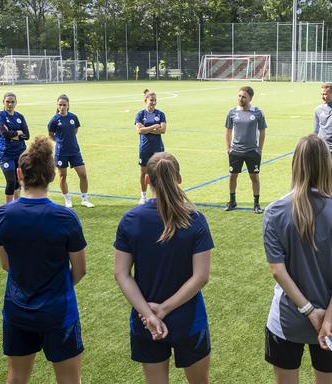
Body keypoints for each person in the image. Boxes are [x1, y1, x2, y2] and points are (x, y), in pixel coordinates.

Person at [0, 136, 87, 383]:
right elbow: (80, 270)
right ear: (53, 175)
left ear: (20, 174)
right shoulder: (66, 218)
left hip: (17, 307)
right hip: (58, 310)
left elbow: (5, 264)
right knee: (68, 379)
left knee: (17, 377)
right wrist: (56, 285)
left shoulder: (3, 214)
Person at [263, 135, 332, 384]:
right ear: (327, 165)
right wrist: (326, 318)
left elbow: (277, 270)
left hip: (286, 319)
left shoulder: (274, 211)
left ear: (296, 164)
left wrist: (308, 311)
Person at [114, 152, 213, 383]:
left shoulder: (131, 220)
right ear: (179, 179)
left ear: (147, 181)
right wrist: (164, 310)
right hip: (188, 319)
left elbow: (121, 274)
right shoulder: (195, 220)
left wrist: (149, 315)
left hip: (144, 320)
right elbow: (201, 277)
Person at [224, 86, 267, 213]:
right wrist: (228, 148)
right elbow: (228, 130)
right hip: (236, 150)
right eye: (239, 96)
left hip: (252, 151)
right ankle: (232, 201)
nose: (240, 99)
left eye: (244, 97)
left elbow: (262, 130)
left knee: (254, 177)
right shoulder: (232, 112)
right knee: (232, 176)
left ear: (250, 98)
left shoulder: (257, 112)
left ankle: (256, 204)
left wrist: (260, 148)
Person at [48, 94, 93, 208]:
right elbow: (51, 135)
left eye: (64, 105)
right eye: (60, 105)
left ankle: (84, 199)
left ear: (68, 105)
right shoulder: (54, 120)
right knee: (63, 176)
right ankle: (67, 199)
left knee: (83, 174)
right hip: (61, 153)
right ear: (57, 106)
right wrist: (60, 142)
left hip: (74, 151)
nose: (62, 107)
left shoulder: (73, 117)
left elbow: (75, 131)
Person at [135, 89, 168, 205]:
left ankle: (158, 196)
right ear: (145, 100)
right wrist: (154, 126)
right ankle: (143, 196)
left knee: (159, 173)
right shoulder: (140, 114)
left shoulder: (160, 114)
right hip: (144, 148)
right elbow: (139, 130)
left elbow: (163, 130)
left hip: (158, 148)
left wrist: (146, 130)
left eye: (155, 100)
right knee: (143, 172)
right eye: (151, 100)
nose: (153, 102)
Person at [0, 92, 30, 202]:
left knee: (19, 181)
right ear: (3, 102)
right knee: (11, 181)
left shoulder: (20, 116)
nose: (10, 104)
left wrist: (12, 134)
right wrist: (18, 132)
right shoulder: (0, 116)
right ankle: (8, 208)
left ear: (16, 103)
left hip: (20, 154)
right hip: (6, 154)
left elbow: (27, 135)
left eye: (12, 102)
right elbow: (4, 134)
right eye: (7, 102)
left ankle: (16, 205)